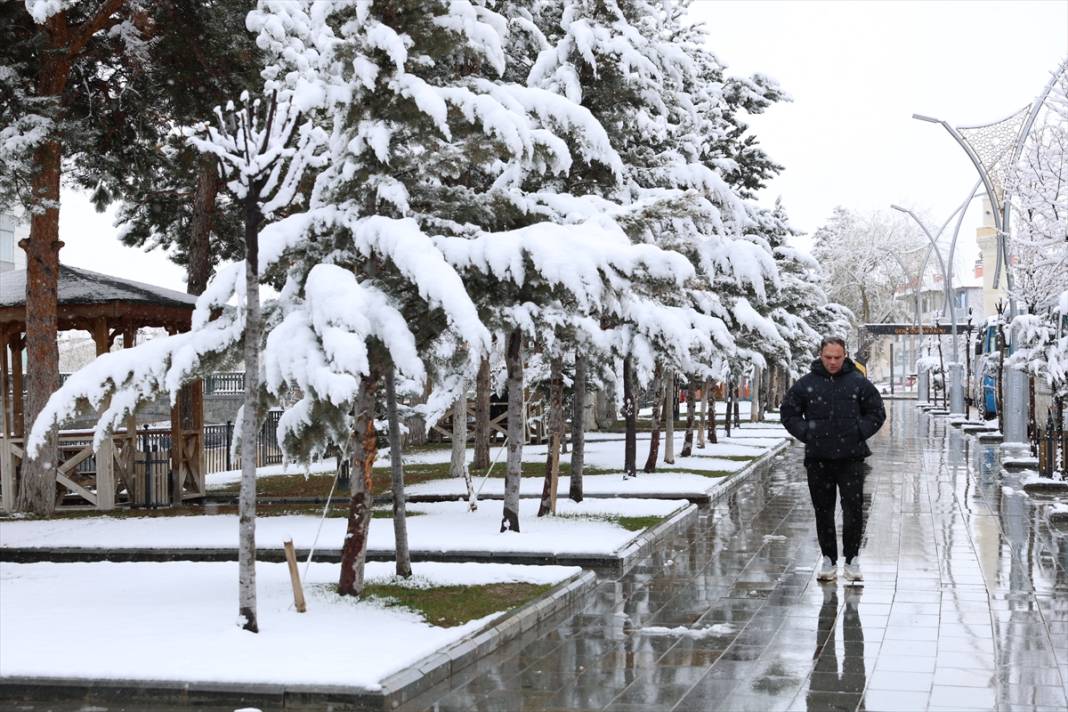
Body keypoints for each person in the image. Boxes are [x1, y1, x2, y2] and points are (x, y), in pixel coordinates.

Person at [780, 336, 886, 582]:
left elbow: (877, 412)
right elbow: (788, 412)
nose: (833, 362)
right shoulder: (806, 384)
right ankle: (828, 559)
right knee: (823, 510)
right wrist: (807, 433)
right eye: (828, 357)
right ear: (820, 355)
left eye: (838, 357)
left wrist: (859, 432)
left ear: (845, 355)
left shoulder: (858, 383)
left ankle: (852, 559)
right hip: (819, 459)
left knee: (853, 510)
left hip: (851, 458)